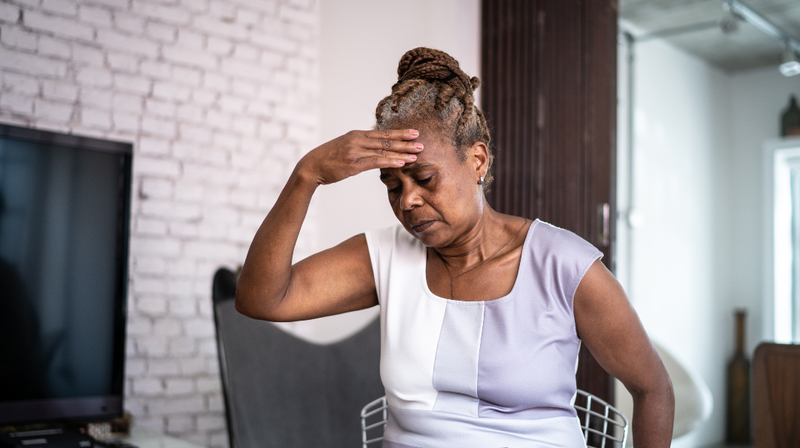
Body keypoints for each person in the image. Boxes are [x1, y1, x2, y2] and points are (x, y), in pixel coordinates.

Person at [236, 47, 674, 447]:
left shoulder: (562, 265)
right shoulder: (387, 256)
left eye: (424, 179)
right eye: (392, 185)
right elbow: (260, 299)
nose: (407, 200)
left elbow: (653, 389)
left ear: (477, 161)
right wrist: (306, 176)